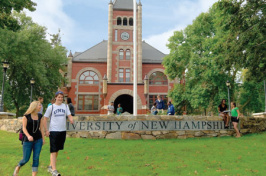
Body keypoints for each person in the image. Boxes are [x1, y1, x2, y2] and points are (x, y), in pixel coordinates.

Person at [43, 91, 74, 176]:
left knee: (57, 150)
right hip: (53, 131)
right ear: (55, 97)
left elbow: (69, 115)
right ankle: (54, 170)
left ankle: (50, 166)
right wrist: (46, 130)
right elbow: (45, 119)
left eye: (61, 97)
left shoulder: (65, 106)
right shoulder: (51, 107)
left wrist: (71, 119)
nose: (60, 98)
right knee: (53, 150)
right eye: (58, 97)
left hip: (62, 131)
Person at [13, 101, 45, 176]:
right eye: (39, 105)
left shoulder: (40, 116)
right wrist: (28, 136)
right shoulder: (26, 116)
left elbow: (41, 128)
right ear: (34, 106)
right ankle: (18, 166)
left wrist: (43, 139)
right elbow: (24, 128)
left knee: (36, 158)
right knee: (26, 159)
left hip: (38, 139)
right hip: (27, 140)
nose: (40, 107)